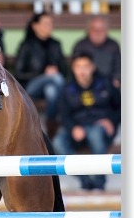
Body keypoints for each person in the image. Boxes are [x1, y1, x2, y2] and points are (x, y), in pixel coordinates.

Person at [52, 50, 121, 191]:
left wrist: (111, 121)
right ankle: (85, 180)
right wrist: (73, 128)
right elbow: (64, 116)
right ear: (73, 68)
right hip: (78, 130)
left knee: (95, 133)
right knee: (58, 142)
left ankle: (99, 181)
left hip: (101, 130)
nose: (82, 70)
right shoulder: (66, 89)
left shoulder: (106, 84)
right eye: (78, 66)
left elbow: (121, 107)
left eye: (86, 66)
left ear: (93, 67)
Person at [14, 11, 69, 138]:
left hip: (53, 86)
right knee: (55, 79)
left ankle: (50, 124)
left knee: (51, 90)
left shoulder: (56, 44)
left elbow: (65, 71)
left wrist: (55, 71)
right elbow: (19, 73)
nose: (49, 26)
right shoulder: (26, 46)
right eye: (45, 23)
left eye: (51, 23)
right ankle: (57, 121)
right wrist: (43, 73)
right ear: (35, 26)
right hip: (31, 87)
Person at [72, 15, 121, 89]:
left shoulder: (113, 45)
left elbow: (119, 66)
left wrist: (117, 79)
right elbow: (75, 68)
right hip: (87, 84)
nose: (98, 32)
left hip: (110, 84)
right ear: (88, 30)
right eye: (94, 29)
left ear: (107, 31)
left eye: (101, 29)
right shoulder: (81, 46)